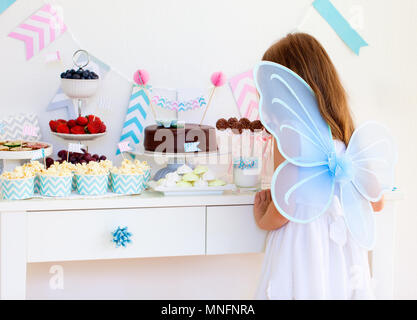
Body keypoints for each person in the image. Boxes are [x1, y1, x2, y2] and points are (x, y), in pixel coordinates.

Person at [254, 33, 384, 299]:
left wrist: (262, 219)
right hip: (345, 253)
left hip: (303, 250)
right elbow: (377, 202)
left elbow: (283, 209)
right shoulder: (347, 135)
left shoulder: (289, 137)